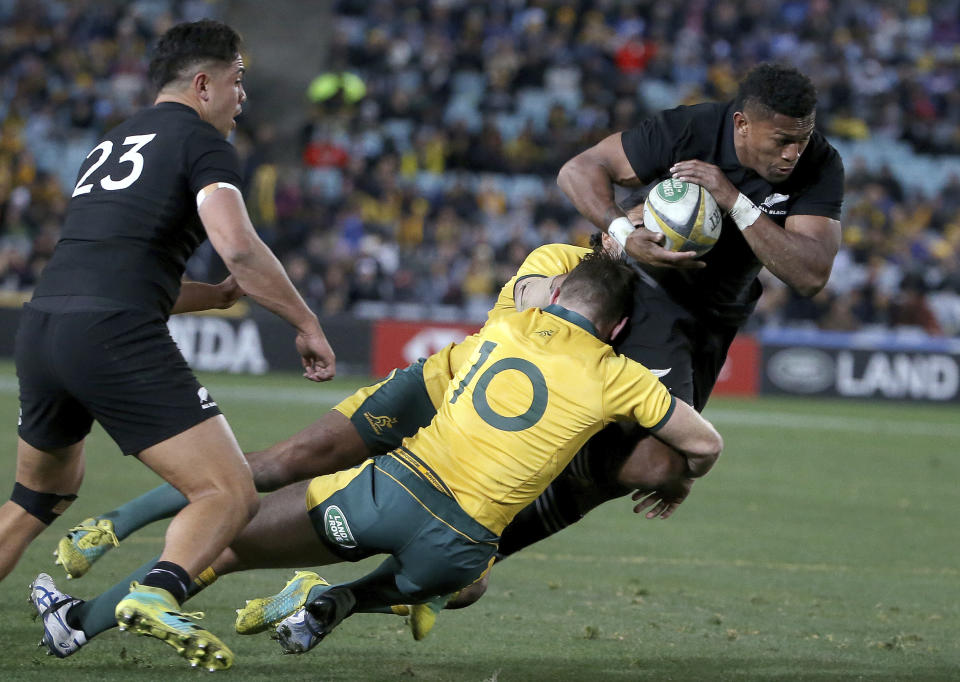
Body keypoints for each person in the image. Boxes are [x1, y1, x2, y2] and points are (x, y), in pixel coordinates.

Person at [31, 253, 724, 659]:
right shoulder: (615, 369)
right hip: (451, 502)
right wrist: (685, 476)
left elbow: (532, 295)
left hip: (399, 486)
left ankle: (86, 617)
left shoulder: (521, 316)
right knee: (438, 565)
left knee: (236, 529)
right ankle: (319, 597)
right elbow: (700, 442)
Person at [4, 19, 335, 672]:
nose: (242, 98)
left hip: (43, 326)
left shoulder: (114, 141)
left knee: (37, 498)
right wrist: (305, 321)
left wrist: (207, 297)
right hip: (112, 333)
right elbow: (238, 245)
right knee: (230, 491)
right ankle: (159, 592)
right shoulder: (200, 140)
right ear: (204, 83)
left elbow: (111, 260)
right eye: (238, 82)